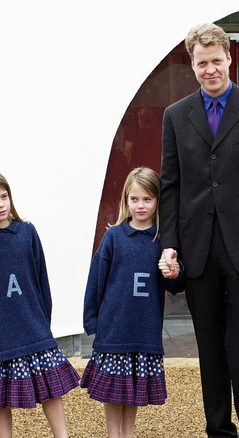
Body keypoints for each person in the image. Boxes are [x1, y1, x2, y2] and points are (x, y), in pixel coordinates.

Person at [159, 22, 239, 437]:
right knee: (210, 348)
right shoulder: (176, 116)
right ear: (191, 64)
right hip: (197, 249)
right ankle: (218, 430)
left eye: (217, 61)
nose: (210, 69)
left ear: (230, 59)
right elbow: (170, 186)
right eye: (202, 63)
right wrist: (170, 246)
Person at [0, 167, 79, 438]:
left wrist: (44, 322)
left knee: (51, 389)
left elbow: (41, 280)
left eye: (4, 196)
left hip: (33, 328)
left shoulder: (27, 233)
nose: (0, 204)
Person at [81, 167, 184, 438]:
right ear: (126, 199)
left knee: (132, 390)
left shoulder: (163, 241)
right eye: (134, 199)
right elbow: (96, 281)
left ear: (157, 201)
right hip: (114, 329)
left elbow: (174, 285)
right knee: (114, 391)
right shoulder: (114, 237)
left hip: (144, 330)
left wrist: (175, 270)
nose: (140, 205)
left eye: (147, 199)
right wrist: (92, 321)